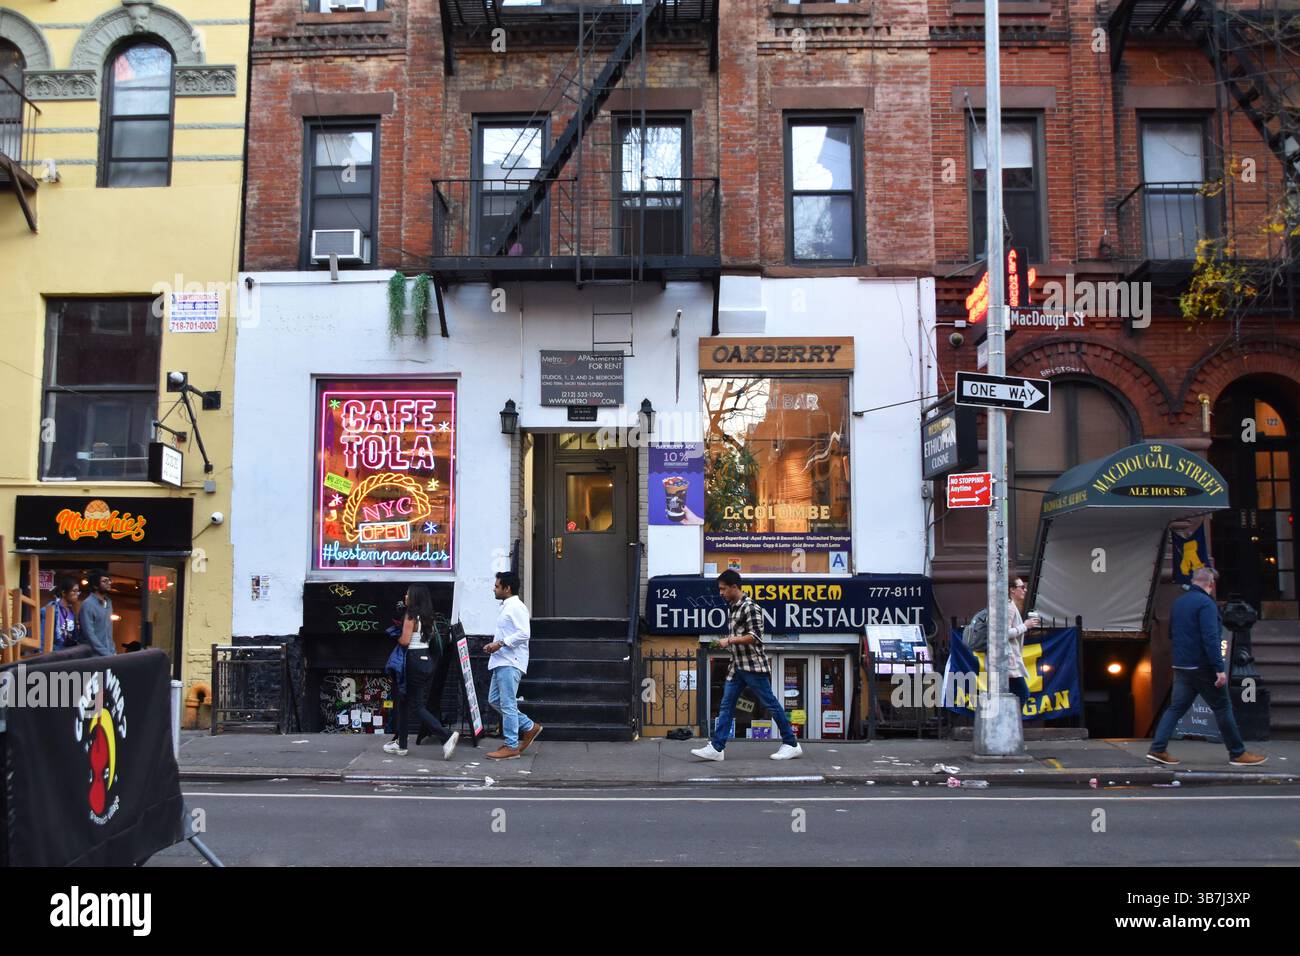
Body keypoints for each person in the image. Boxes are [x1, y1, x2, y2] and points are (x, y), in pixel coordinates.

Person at [1147, 567, 1267, 767]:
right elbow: (1211, 638)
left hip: (1181, 664)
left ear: (1194, 581)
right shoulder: (1206, 604)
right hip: (1202, 666)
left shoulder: (1179, 603)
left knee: (1175, 708)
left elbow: (1171, 634)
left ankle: (1157, 749)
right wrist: (1219, 668)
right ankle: (1237, 753)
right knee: (1222, 707)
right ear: (1210, 585)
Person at [692, 570, 802, 761]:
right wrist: (726, 642)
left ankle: (791, 743)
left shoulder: (750, 607)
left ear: (735, 587)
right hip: (737, 667)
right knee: (726, 705)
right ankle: (717, 748)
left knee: (771, 705)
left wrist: (730, 640)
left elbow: (756, 637)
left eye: (723, 589)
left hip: (753, 667)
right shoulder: (733, 607)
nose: (720, 593)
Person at [384, 586, 459, 759]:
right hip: (425, 660)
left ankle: (446, 736)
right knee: (403, 701)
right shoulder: (428, 617)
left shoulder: (410, 616)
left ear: (415, 598)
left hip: (413, 660)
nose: (405, 596)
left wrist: (394, 633)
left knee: (416, 706)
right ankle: (401, 745)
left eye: (408, 594)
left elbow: (404, 641)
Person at [483, 571, 541, 760]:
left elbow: (525, 633)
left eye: (497, 586)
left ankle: (511, 746)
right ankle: (529, 726)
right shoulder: (507, 606)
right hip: (501, 660)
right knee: (494, 700)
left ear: (507, 588)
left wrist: (500, 643)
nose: (494, 588)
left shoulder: (516, 607)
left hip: (510, 661)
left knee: (507, 704)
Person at [1007, 578, 1041, 710]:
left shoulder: (1012, 606)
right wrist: (1025, 626)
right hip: (1008, 662)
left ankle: (1009, 725)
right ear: (1012, 589)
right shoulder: (1009, 607)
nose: (1025, 590)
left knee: (1011, 695)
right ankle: (1011, 725)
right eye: (1022, 587)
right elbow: (1004, 633)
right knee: (1023, 694)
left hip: (1009, 661)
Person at [78, 571, 116, 657]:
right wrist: (106, 653)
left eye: (109, 580)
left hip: (109, 653)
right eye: (104, 581)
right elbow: (89, 634)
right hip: (93, 657)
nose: (109, 583)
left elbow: (109, 631)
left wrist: (113, 651)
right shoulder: (88, 604)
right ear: (95, 585)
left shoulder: (109, 602)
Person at [40, 577, 81, 650]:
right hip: (53, 653)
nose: (77, 594)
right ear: (64, 593)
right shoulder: (52, 609)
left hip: (67, 654)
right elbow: (43, 636)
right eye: (74, 591)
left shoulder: (71, 612)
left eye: (78, 591)